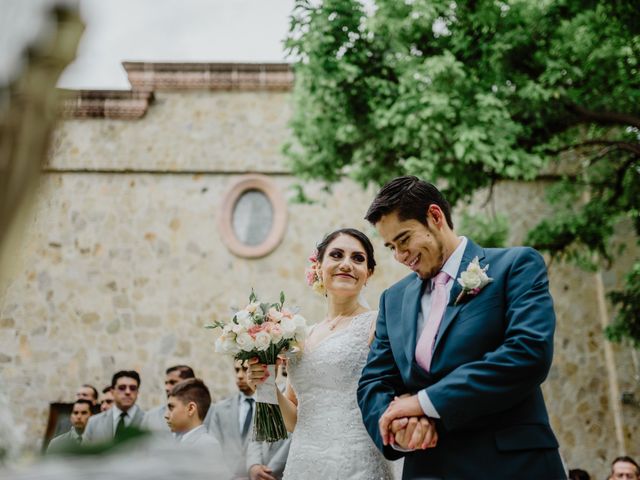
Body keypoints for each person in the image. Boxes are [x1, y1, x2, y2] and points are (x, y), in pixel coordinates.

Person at [357, 176, 566, 479]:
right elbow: (374, 381)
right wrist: (398, 430)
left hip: (512, 466)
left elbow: (527, 353)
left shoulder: (516, 266)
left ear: (435, 217)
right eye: (391, 246)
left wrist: (423, 404)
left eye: (404, 240)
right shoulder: (393, 299)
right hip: (429, 468)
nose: (400, 256)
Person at [249, 228, 394, 479]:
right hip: (304, 462)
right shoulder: (300, 336)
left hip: (356, 462)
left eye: (358, 258)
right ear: (318, 267)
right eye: (336, 255)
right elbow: (293, 420)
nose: (347, 264)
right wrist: (266, 385)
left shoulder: (377, 324)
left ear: (368, 273)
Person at [205, 359, 257, 479]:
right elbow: (213, 448)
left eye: (245, 369)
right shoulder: (220, 409)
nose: (239, 376)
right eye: (237, 370)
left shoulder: (271, 407)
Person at [83, 370, 145, 444]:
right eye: (122, 388)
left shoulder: (149, 421)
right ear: (112, 392)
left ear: (137, 392)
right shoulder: (94, 422)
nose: (128, 392)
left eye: (132, 388)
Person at [164, 378, 221, 450]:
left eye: (171, 407)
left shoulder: (207, 445)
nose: (166, 415)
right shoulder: (178, 442)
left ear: (191, 409)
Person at [142, 365, 195, 433]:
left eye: (173, 382)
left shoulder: (210, 414)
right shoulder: (151, 417)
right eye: (166, 383)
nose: (167, 388)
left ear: (189, 384)